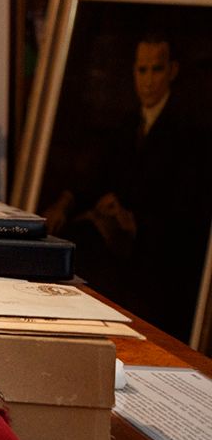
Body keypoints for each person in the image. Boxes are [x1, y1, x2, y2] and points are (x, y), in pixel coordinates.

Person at [46, 30, 208, 341]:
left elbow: (186, 213)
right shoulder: (127, 124)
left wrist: (133, 222)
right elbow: (97, 177)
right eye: (142, 70)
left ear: (172, 71)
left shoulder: (187, 132)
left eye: (156, 70)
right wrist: (67, 201)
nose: (148, 81)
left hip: (159, 263)